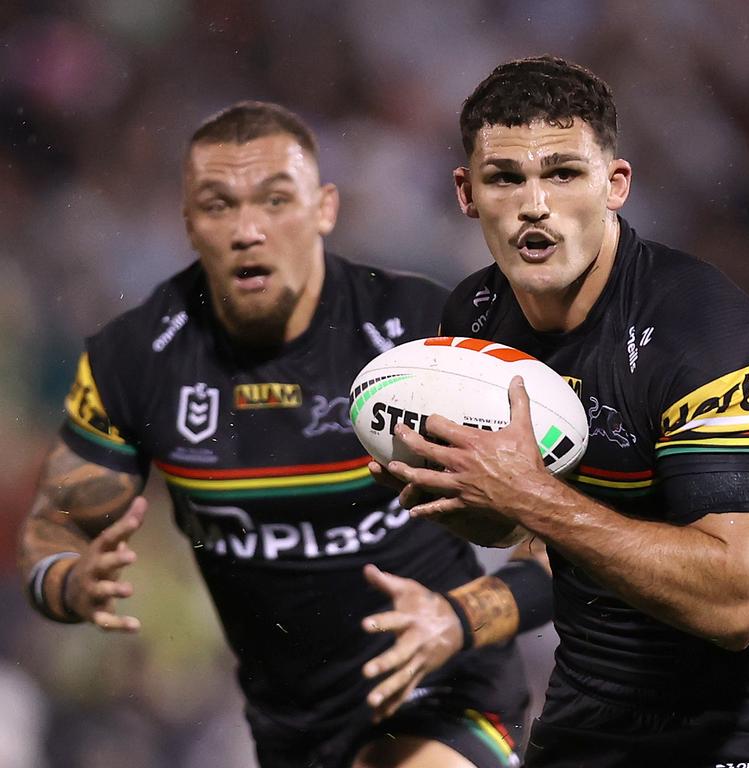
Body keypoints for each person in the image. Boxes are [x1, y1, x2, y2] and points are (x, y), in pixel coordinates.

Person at [17, 101, 554, 768]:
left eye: (276, 200)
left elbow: (571, 538)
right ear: (189, 222)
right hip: (289, 729)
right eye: (219, 205)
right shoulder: (136, 361)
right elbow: (53, 532)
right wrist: (70, 582)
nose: (248, 230)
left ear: (324, 208)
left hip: (444, 689)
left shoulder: (423, 334)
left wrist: (461, 617)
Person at [378, 56, 749, 767]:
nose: (534, 204)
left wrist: (530, 496)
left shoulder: (705, 337)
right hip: (597, 713)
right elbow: (541, 540)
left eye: (564, 173)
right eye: (506, 177)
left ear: (616, 185)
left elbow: (734, 602)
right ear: (467, 193)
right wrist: (460, 583)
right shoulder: (475, 326)